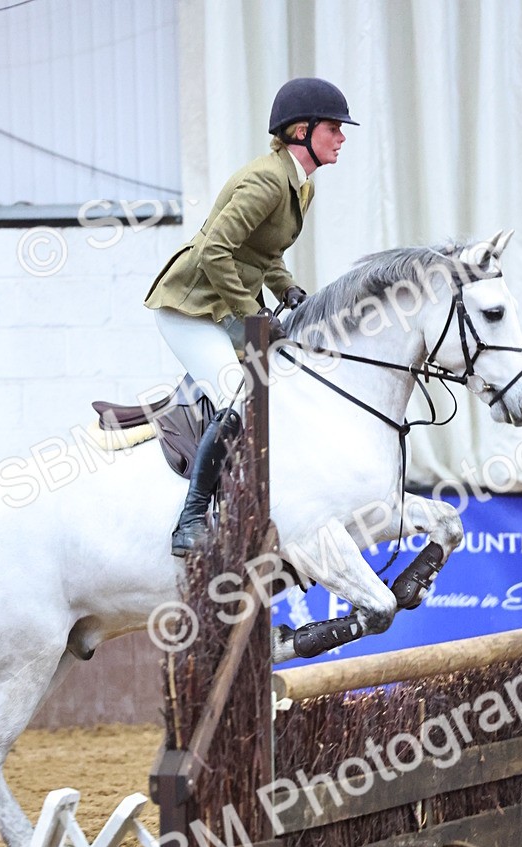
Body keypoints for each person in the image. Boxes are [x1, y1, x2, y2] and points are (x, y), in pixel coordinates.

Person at [145, 77, 358, 555]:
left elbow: (264, 256)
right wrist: (251, 319)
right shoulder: (266, 181)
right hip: (190, 307)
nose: (342, 137)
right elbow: (216, 251)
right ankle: (191, 519)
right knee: (237, 399)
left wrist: (289, 290)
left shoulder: (300, 187)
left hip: (224, 304)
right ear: (301, 131)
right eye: (334, 128)